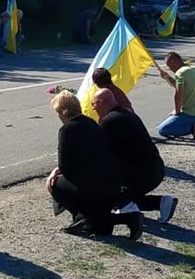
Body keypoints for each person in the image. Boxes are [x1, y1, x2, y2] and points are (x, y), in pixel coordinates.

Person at [46, 90, 140, 239]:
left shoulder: (67, 129)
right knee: (100, 228)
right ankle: (127, 219)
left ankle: (82, 218)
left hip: (95, 187)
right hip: (113, 182)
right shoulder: (92, 123)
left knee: (56, 184)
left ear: (63, 112)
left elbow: (66, 167)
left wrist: (55, 173)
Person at [101, 104, 178, 225]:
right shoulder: (127, 114)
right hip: (156, 169)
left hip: (139, 175)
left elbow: (100, 150)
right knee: (129, 195)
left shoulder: (108, 121)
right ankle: (162, 202)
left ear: (102, 102)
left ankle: (130, 213)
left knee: (109, 192)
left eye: (94, 104)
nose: (93, 107)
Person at [153, 51, 195, 141]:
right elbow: (181, 86)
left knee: (163, 129)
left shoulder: (180, 73)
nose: (170, 69)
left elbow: (178, 95)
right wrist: (167, 77)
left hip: (190, 115)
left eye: (169, 66)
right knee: (172, 122)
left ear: (174, 61)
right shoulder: (193, 69)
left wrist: (177, 111)